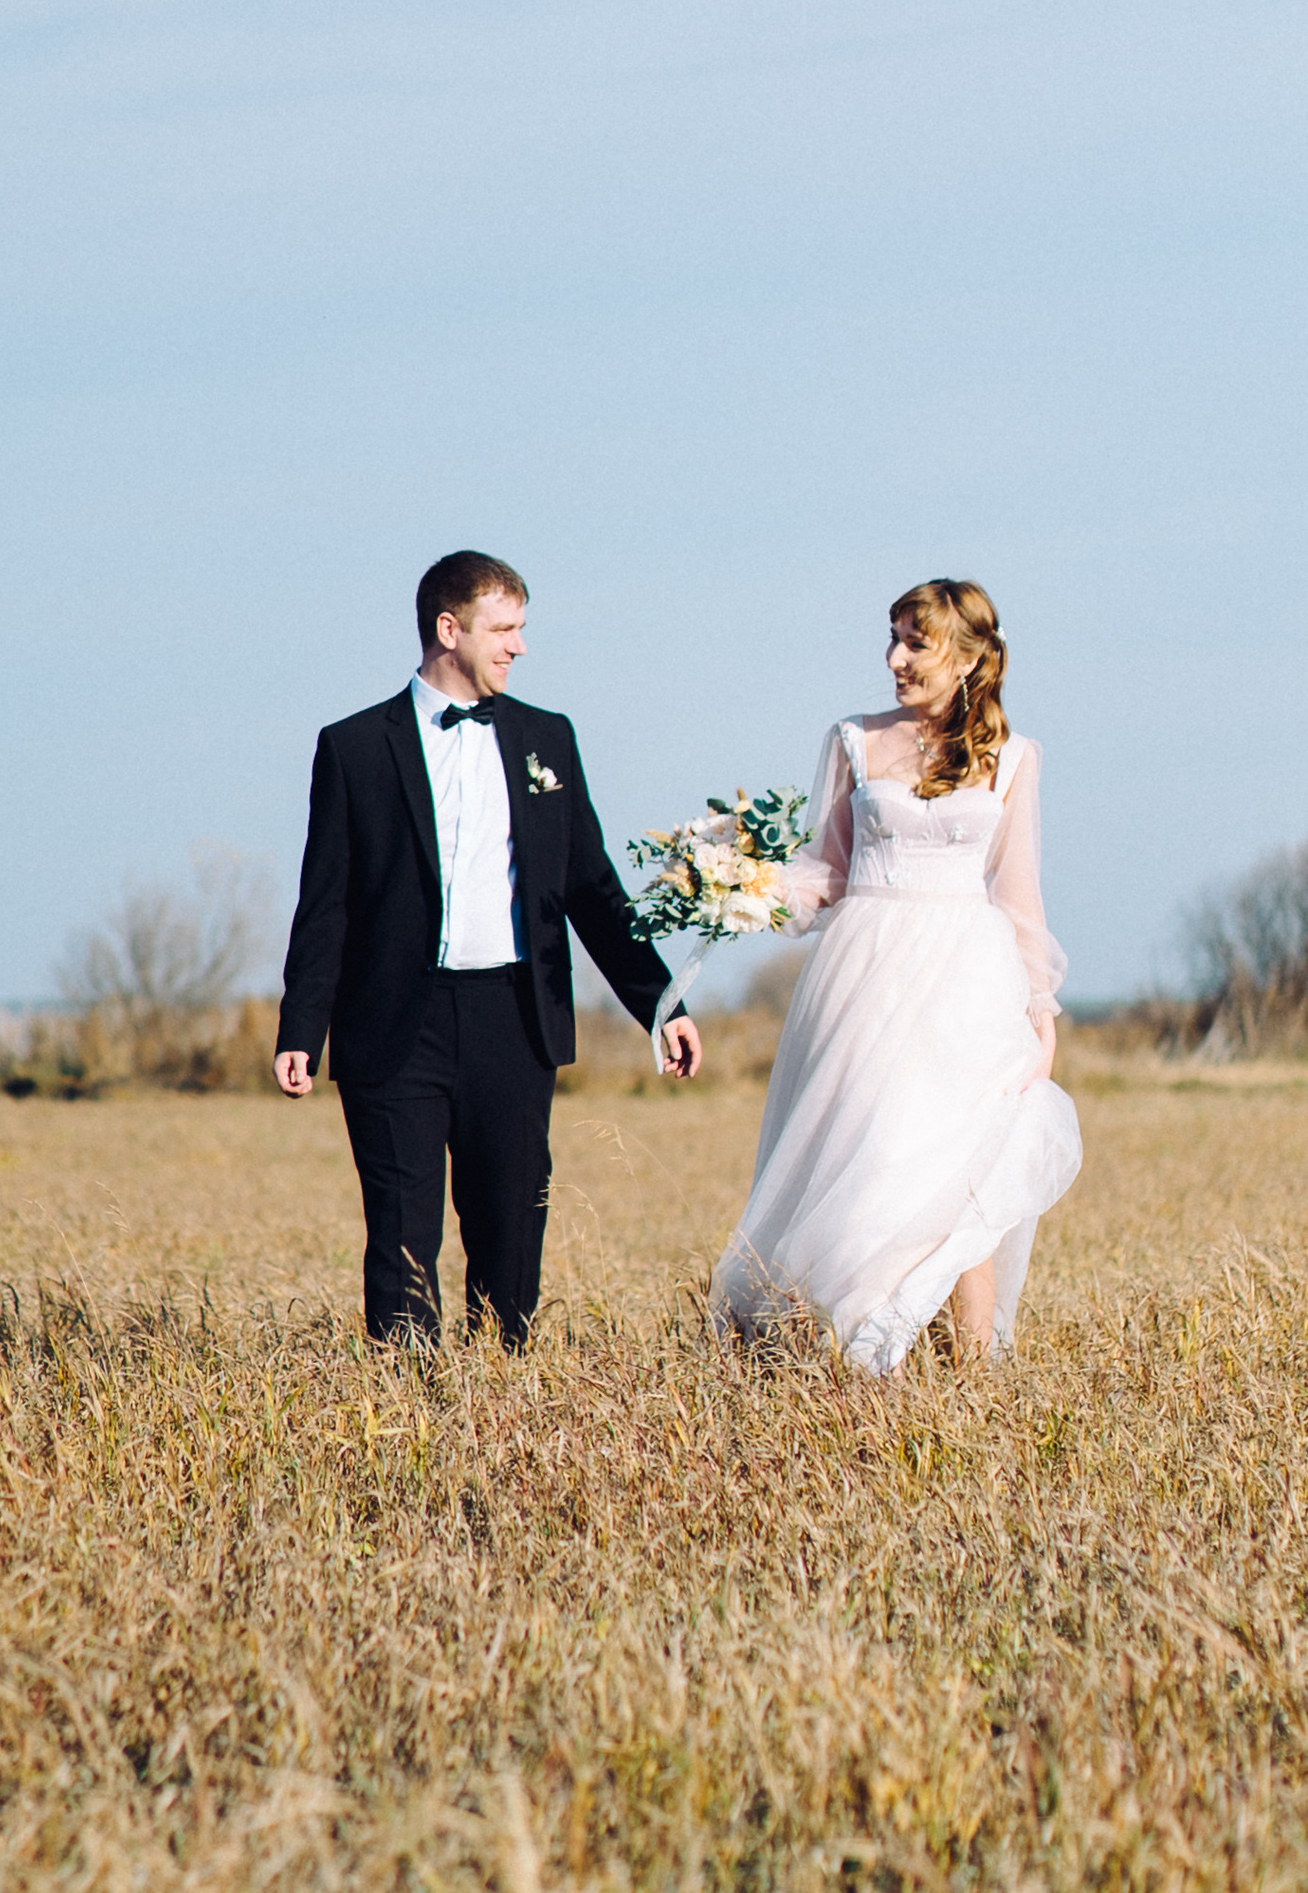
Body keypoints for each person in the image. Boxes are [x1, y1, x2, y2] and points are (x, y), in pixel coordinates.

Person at [274, 549, 699, 1348]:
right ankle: (405, 1396)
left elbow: (592, 889)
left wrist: (662, 1003)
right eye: (503, 629)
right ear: (449, 629)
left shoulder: (548, 739)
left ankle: (501, 1383)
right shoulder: (354, 747)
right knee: (402, 1227)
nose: (519, 646)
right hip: (393, 1023)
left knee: (510, 1223)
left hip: (513, 1017)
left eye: (520, 629)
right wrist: (302, 1027)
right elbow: (325, 903)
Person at [708, 579, 1081, 1370]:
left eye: (917, 643)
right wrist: (744, 883)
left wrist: (1040, 1013)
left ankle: (976, 1378)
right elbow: (827, 873)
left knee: (965, 1171)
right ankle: (851, 1352)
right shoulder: (853, 738)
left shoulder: (1015, 757)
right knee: (872, 1158)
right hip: (865, 980)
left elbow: (1018, 895)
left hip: (969, 987)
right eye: (894, 638)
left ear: (969, 658)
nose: (895, 659)